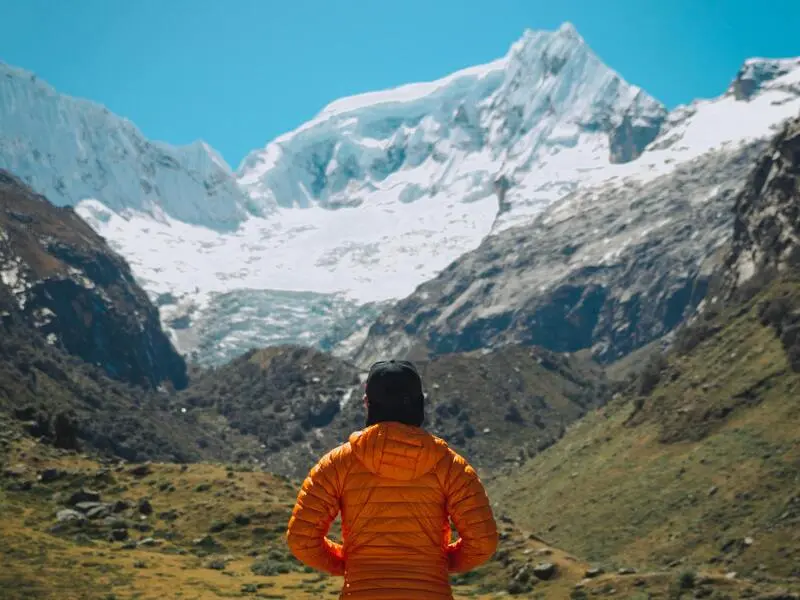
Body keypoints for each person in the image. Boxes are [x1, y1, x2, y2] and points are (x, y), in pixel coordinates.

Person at [286, 359, 498, 599]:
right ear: (420, 404)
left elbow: (301, 539)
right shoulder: (452, 466)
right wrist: (438, 563)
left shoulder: (336, 464)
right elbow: (483, 542)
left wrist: (347, 563)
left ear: (368, 404)